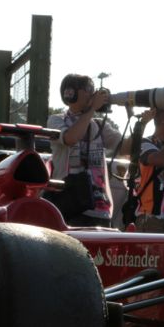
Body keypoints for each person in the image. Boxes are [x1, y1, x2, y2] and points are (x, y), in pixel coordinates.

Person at [46, 73, 125, 227]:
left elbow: (125, 147)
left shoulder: (98, 123)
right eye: (88, 89)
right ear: (71, 92)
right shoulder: (56, 120)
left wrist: (138, 121)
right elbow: (71, 138)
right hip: (72, 206)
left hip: (100, 207)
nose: (92, 94)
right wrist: (92, 109)